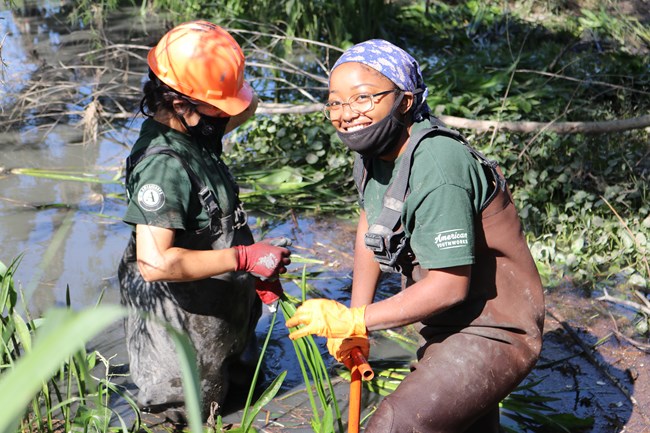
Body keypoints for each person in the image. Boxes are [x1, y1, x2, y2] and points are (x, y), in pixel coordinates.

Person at [285, 39, 545, 433]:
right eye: (335, 102)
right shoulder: (376, 154)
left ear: (404, 101)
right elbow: (371, 223)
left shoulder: (438, 166)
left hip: (494, 331)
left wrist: (357, 319)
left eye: (363, 98)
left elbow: (448, 288)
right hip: (445, 326)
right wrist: (357, 328)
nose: (346, 114)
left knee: (395, 424)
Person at [118, 20, 291, 421]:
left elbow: (246, 107)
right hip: (181, 329)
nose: (230, 116)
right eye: (219, 107)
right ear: (180, 105)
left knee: (238, 399)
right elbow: (155, 263)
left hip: (221, 317)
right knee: (186, 417)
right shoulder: (163, 165)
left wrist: (253, 274)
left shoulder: (196, 129)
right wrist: (244, 259)